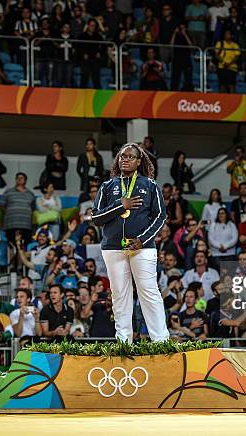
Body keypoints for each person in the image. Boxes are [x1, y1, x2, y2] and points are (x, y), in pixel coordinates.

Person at [91, 143, 168, 343]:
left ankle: (161, 341)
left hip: (142, 248)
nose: (125, 159)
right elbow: (96, 218)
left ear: (139, 161)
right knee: (119, 295)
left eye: (130, 157)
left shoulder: (150, 185)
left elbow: (160, 217)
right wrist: (120, 205)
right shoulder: (107, 186)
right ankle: (123, 341)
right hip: (113, 248)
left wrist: (142, 240)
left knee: (149, 292)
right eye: (122, 156)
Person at [1, 172, 36, 253]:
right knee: (11, 245)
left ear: (25, 180)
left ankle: (22, 265)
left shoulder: (30, 194)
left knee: (25, 246)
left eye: (21, 178)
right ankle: (12, 265)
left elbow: (33, 208)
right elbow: (2, 206)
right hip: (11, 224)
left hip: (26, 225)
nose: (19, 179)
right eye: (18, 178)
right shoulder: (8, 192)